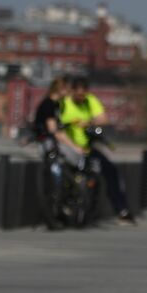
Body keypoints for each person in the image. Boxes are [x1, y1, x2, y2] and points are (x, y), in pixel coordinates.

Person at [59, 76, 133, 224]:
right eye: (78, 95)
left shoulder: (90, 100)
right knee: (65, 174)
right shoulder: (64, 104)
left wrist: (90, 121)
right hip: (68, 148)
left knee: (110, 170)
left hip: (87, 148)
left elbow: (104, 118)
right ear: (72, 91)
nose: (81, 98)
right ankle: (63, 207)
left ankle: (121, 209)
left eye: (83, 94)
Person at [31, 76, 78, 224]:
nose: (69, 92)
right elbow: (54, 131)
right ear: (60, 89)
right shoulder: (49, 104)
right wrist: (75, 147)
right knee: (75, 159)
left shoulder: (56, 105)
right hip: (47, 143)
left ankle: (66, 197)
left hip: (48, 142)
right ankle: (66, 199)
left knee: (66, 165)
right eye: (67, 88)